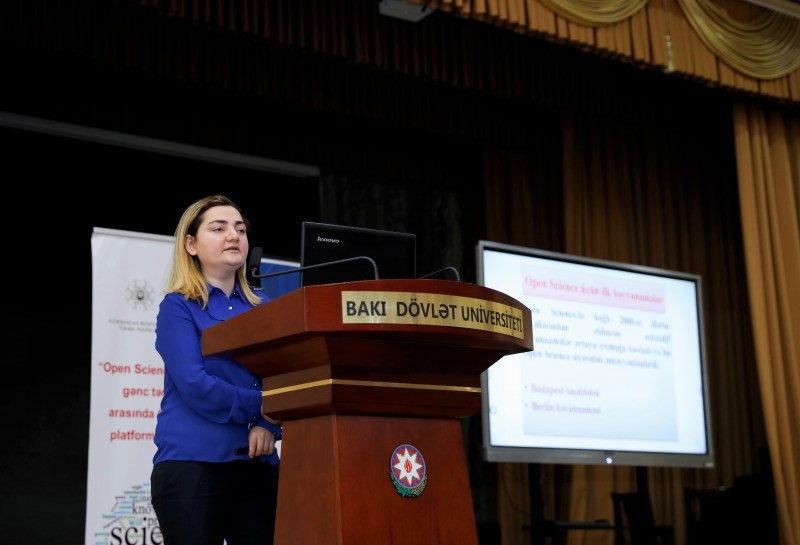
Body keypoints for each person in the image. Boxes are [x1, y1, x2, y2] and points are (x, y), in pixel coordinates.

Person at [150, 195, 281, 545]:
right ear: (191, 244)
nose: (234, 235)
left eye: (240, 229)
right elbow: (195, 384)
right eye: (218, 228)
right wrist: (263, 407)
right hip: (192, 468)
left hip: (258, 467)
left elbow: (283, 375)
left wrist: (269, 424)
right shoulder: (178, 306)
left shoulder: (264, 308)